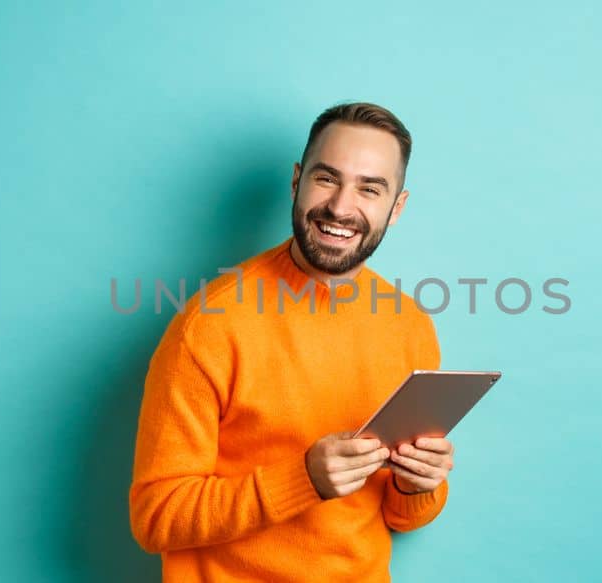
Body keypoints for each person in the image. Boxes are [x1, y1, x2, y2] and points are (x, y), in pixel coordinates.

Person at [128, 102, 453, 582]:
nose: (341, 207)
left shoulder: (410, 325)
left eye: (369, 188)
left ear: (396, 207)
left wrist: (417, 483)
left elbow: (405, 518)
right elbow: (156, 517)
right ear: (296, 181)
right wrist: (302, 480)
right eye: (326, 179)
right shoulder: (210, 325)